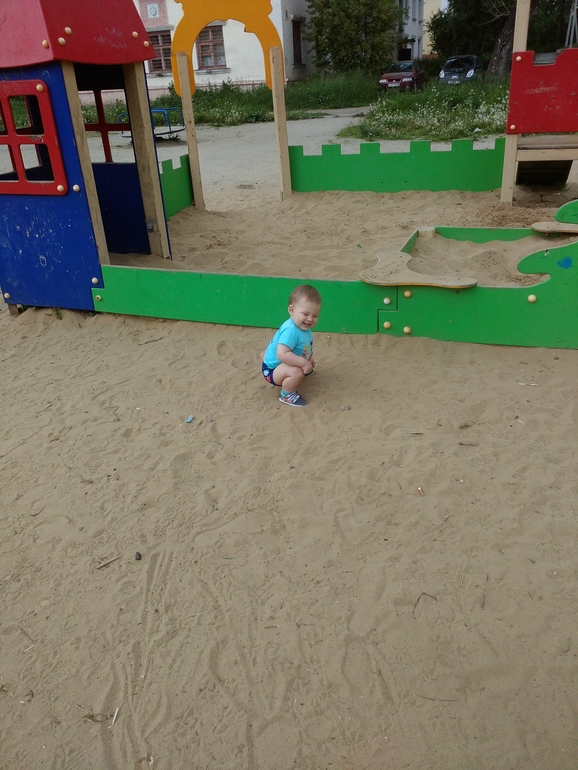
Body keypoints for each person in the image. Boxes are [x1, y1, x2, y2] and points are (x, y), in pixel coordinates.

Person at [261, 284, 322, 407]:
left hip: (284, 363)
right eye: (305, 314)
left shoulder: (302, 326)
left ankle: (267, 356)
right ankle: (287, 394)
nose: (310, 319)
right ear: (291, 310)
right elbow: (282, 354)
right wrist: (303, 363)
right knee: (297, 373)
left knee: (308, 363)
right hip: (272, 370)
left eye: (315, 316)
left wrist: (308, 359)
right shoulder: (290, 331)